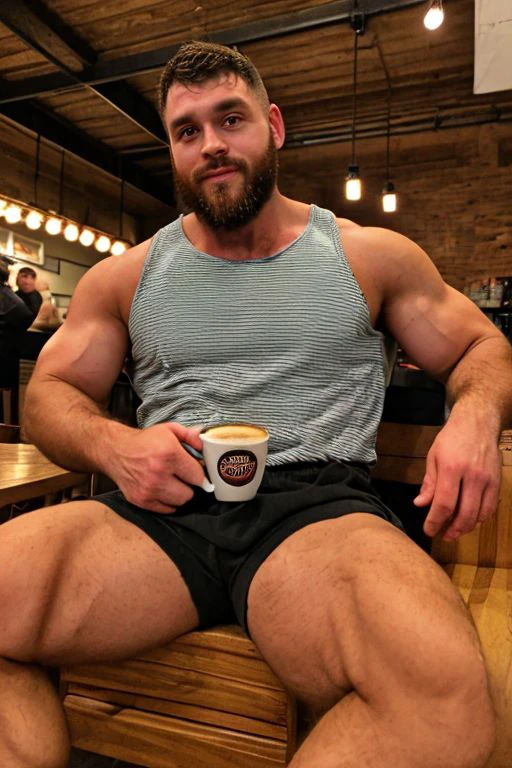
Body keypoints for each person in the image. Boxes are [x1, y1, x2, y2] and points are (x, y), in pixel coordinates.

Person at [1, 40, 510, 768]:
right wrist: (115, 447)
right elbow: (50, 392)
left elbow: (481, 349)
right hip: (160, 513)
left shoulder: (367, 256)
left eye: (229, 119)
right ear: (173, 150)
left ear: (272, 124)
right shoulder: (126, 276)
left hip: (316, 514)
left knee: (444, 700)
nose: (211, 145)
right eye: (187, 131)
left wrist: (474, 418)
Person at [0, 255, 33, 398]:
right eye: (23, 276)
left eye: (29, 277)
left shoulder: (11, 300)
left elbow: (24, 315)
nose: (26, 281)